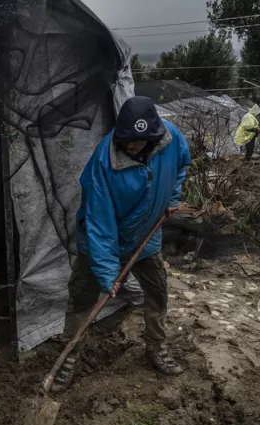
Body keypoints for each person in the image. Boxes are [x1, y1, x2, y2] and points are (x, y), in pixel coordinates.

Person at [52, 96, 191, 391]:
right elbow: (100, 225)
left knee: (157, 292)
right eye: (126, 139)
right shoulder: (103, 164)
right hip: (100, 243)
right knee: (82, 299)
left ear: (153, 136)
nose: (130, 145)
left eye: (137, 141)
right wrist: (107, 272)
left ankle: (156, 347)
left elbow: (181, 164)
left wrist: (173, 199)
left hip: (146, 235)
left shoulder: (171, 139)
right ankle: (67, 360)